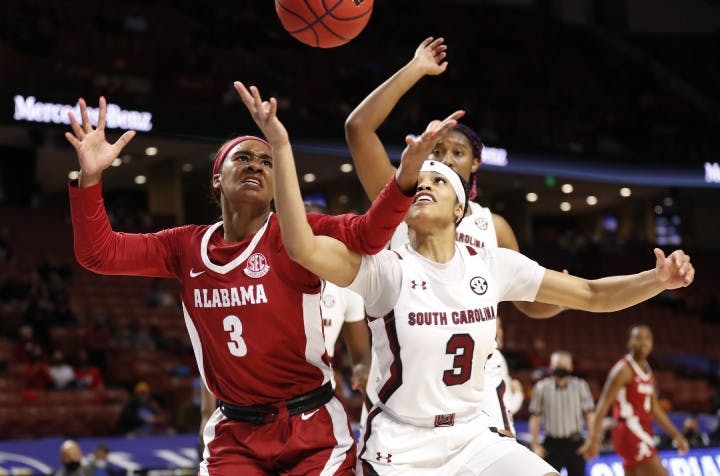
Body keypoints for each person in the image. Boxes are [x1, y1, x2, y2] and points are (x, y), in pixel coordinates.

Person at [240, 81, 695, 475]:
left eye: (439, 181)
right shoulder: (385, 269)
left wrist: (657, 280)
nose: (425, 185)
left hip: (474, 433)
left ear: (460, 209)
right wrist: (281, 149)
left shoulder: (493, 260)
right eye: (420, 180)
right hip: (401, 446)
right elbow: (302, 246)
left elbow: (593, 294)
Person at [66, 86, 423, 474]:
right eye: (243, 158)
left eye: (267, 162)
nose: (256, 166)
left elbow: (370, 235)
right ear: (217, 180)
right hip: (235, 433)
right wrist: (91, 177)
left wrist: (403, 179)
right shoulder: (184, 245)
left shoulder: (297, 232)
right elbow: (99, 254)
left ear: (276, 186)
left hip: (309, 427)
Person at [344, 36, 566, 431]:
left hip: (476, 385)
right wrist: (415, 69)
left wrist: (562, 295)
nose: (446, 158)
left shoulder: (492, 226)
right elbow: (359, 129)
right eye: (438, 150)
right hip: (406, 387)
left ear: (476, 163)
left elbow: (530, 305)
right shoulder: (400, 204)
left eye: (457, 152)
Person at [579, 325, 690, 475]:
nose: (643, 342)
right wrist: (593, 439)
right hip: (629, 430)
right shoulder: (623, 369)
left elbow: (655, 409)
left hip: (641, 430)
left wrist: (676, 435)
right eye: (638, 337)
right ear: (629, 343)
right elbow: (603, 405)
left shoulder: (647, 369)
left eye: (647, 338)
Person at [529, 351, 595, 476]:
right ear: (551, 366)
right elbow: (535, 417)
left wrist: (590, 441)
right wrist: (535, 444)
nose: (561, 369)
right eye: (558, 365)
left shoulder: (581, 386)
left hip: (575, 444)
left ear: (571, 367)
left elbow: (590, 415)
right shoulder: (541, 387)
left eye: (564, 366)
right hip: (551, 444)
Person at [483, 316, 524, 437]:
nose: (501, 332)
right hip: (495, 435)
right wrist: (518, 393)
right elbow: (506, 410)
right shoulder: (494, 357)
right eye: (498, 327)